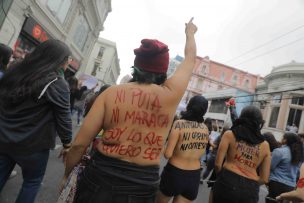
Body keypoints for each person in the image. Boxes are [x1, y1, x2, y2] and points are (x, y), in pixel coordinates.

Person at [62, 18, 198, 203]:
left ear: (136, 65)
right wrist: (189, 33)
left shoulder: (111, 93)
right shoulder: (170, 94)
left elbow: (79, 144)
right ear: (163, 70)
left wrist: (66, 176)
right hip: (142, 185)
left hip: (100, 177)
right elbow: (190, 59)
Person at [0, 39, 73, 203]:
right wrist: (67, 145)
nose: (69, 62)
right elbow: (64, 118)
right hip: (32, 145)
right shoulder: (56, 82)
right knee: (32, 182)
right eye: (68, 59)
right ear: (59, 60)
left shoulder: (16, 69)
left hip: (4, 137)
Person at [213, 105, 271, 203]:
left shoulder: (229, 135)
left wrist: (223, 178)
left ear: (242, 117)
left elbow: (218, 164)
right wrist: (250, 184)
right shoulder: (265, 145)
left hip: (227, 180)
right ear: (259, 122)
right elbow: (265, 179)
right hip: (250, 189)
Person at [157, 95, 209, 203]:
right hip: (194, 176)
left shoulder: (179, 124)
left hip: (174, 173)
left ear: (189, 106)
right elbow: (201, 152)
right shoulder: (205, 129)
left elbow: (167, 154)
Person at [266, 132, 304, 203]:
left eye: (283, 137)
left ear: (286, 140)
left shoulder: (279, 151)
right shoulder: (298, 154)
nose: (281, 138)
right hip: (290, 185)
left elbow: (271, 167)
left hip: (276, 182)